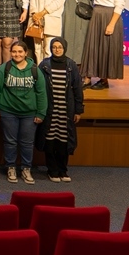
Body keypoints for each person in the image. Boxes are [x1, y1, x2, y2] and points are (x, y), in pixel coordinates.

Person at [0, 41, 48, 184]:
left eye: (20, 51)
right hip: (8, 111)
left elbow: (41, 93)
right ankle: (11, 167)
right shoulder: (4, 68)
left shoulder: (35, 70)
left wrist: (41, 113)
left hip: (29, 113)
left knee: (27, 143)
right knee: (10, 142)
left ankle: (26, 169)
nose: (17, 54)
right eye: (14, 51)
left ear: (26, 53)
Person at [36, 37, 84, 183]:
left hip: (65, 111)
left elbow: (77, 88)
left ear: (64, 48)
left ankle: (63, 170)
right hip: (50, 110)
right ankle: (52, 171)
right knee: (50, 141)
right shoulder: (44, 65)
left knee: (63, 141)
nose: (57, 50)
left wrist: (78, 110)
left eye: (60, 47)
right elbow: (38, 87)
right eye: (54, 47)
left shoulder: (71, 65)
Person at [80, 0, 126, 90]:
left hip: (110, 16)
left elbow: (119, 5)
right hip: (97, 15)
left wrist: (111, 24)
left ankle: (104, 80)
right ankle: (87, 78)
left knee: (106, 48)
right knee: (93, 47)